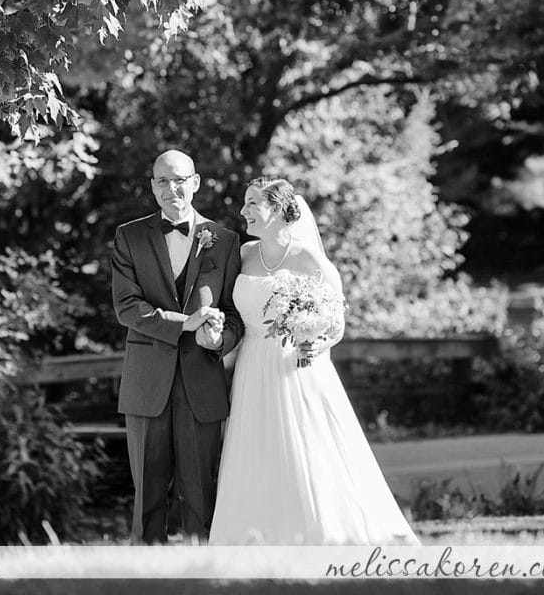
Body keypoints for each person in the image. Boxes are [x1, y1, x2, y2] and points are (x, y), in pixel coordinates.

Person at [209, 175, 420, 546]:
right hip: (252, 365)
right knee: (255, 447)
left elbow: (335, 319)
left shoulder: (307, 257)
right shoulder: (242, 255)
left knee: (306, 445)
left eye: (253, 203)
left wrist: (317, 343)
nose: (243, 211)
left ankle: (321, 530)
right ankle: (253, 537)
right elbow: (230, 311)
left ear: (277, 210)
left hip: (296, 366)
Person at [112, 149, 244, 544]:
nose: (173, 188)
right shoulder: (129, 236)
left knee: (201, 495)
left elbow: (236, 314)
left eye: (180, 180)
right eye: (163, 181)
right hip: (146, 382)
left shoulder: (225, 240)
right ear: (153, 187)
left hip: (201, 381)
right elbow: (127, 307)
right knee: (148, 498)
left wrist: (220, 338)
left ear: (196, 183)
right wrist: (185, 323)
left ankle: (202, 574)